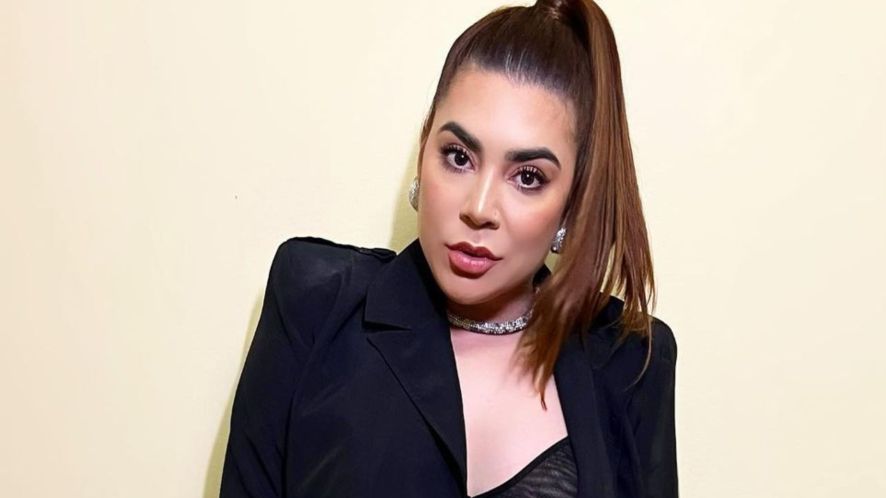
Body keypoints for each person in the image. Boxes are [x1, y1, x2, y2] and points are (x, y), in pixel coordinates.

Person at [219, 0, 678, 497]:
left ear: (574, 200)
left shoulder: (632, 363)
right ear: (424, 150)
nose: (479, 208)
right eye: (458, 157)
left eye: (528, 177)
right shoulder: (314, 302)